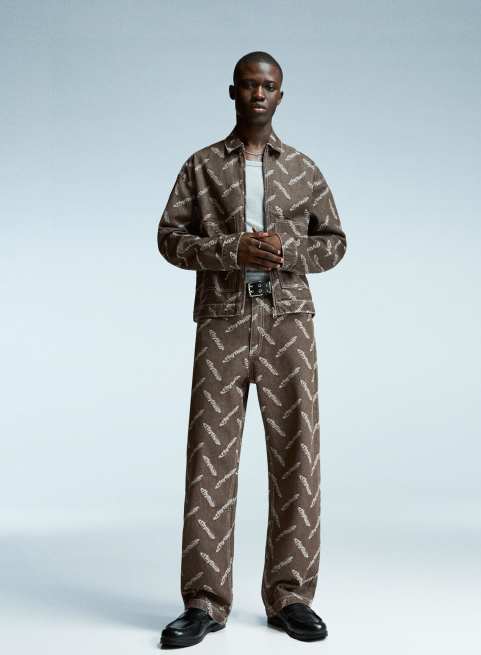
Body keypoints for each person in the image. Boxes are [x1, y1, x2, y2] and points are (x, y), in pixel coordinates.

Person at [156, 50, 347, 648]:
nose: (258, 94)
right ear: (233, 92)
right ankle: (204, 601)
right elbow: (169, 238)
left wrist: (287, 251)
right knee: (209, 460)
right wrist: (228, 251)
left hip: (289, 324)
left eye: (268, 86)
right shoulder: (202, 166)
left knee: (298, 454)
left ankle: (290, 596)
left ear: (280, 96)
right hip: (222, 323)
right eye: (249, 85)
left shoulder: (304, 169)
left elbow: (335, 243)